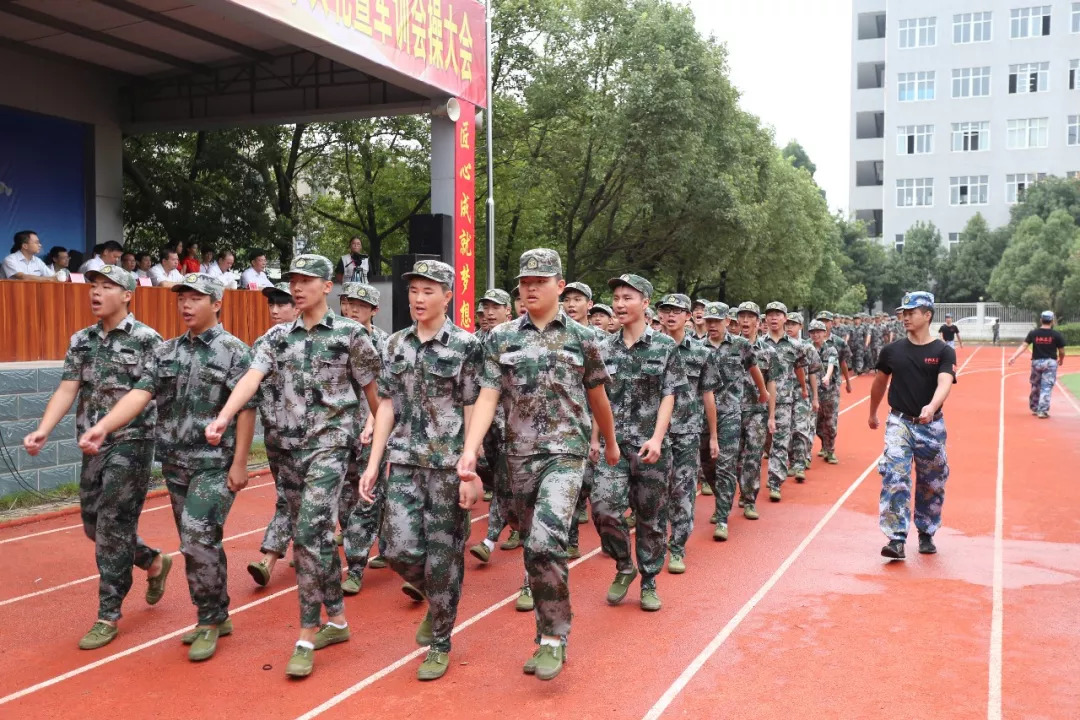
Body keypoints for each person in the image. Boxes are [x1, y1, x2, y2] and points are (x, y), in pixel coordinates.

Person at [205, 257, 380, 678]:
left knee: (306, 536)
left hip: (330, 447)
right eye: (293, 281)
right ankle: (336, 619)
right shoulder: (275, 337)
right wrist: (225, 415)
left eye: (306, 281)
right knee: (317, 538)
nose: (297, 288)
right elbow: (251, 377)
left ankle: (306, 633)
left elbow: (378, 399)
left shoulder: (351, 335)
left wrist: (378, 454)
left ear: (328, 285)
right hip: (286, 452)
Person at [79, 273, 256, 661]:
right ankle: (217, 610)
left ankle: (208, 620)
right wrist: (103, 426)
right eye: (182, 298)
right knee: (198, 542)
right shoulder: (166, 352)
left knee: (197, 536)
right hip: (175, 462)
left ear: (217, 303)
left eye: (196, 298)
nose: (186, 305)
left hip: (215, 464)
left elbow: (247, 410)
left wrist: (240, 462)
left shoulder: (234, 351)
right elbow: (140, 393)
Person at [459, 249, 618, 681]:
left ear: (559, 286)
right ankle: (545, 631)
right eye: (524, 282)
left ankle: (553, 638)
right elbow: (488, 395)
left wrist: (611, 443)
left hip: (565, 456)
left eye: (539, 281)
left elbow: (597, 395)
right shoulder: (501, 338)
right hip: (517, 460)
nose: (529, 288)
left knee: (547, 542)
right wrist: (471, 450)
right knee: (533, 549)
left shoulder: (584, 338)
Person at [23, 265, 170, 650]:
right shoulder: (82, 340)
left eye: (107, 286)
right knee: (93, 523)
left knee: (111, 525)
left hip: (132, 443)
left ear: (127, 295)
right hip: (93, 445)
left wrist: (109, 426)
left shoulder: (147, 340)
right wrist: (44, 428)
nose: (96, 292)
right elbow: (67, 388)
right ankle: (153, 560)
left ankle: (108, 613)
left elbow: (148, 394)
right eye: (93, 285)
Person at [358, 259, 482, 682]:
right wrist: (374, 463)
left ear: (448, 296)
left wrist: (470, 465)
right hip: (406, 462)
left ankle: (441, 640)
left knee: (444, 556)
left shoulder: (466, 346)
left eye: (428, 291)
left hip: (447, 467)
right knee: (396, 549)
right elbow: (386, 404)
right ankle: (439, 599)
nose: (418, 298)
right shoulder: (395, 345)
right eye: (413, 290)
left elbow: (472, 407)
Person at [591, 273, 686, 612]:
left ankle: (648, 580)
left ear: (645, 303)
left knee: (651, 518)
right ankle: (623, 564)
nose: (619, 303)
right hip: (613, 448)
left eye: (627, 297)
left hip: (651, 448)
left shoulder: (664, 347)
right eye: (616, 297)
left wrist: (658, 439)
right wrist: (595, 440)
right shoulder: (601, 348)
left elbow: (669, 395)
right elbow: (596, 397)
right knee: (603, 508)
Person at [869, 291, 956, 560]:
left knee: (932, 481)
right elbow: (880, 383)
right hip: (900, 422)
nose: (905, 317)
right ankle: (895, 538)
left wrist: (931, 406)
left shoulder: (943, 350)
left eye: (911, 312)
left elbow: (944, 382)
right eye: (903, 313)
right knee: (895, 475)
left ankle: (926, 531)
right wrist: (872, 412)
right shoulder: (892, 351)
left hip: (931, 426)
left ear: (927, 315)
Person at [656, 294, 719, 561]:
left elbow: (708, 395)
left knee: (683, 490)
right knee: (655, 490)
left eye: (677, 311)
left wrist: (713, 435)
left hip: (687, 431)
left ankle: (677, 547)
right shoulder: (650, 348)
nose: (671, 315)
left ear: (689, 316)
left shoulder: (701, 353)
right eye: (666, 310)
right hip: (654, 432)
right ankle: (655, 543)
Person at [245, 282, 300, 589]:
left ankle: (269, 557)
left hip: (306, 438)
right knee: (293, 496)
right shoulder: (262, 343)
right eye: (272, 305)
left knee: (287, 496)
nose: (276, 311)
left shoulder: (313, 342)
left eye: (283, 304)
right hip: (274, 435)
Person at [336, 282, 390, 594]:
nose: (352, 309)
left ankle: (355, 566)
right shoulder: (335, 338)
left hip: (373, 429)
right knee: (345, 501)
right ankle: (373, 540)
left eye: (359, 304)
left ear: (374, 310)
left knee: (368, 496)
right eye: (347, 303)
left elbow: (382, 392)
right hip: (341, 431)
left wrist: (372, 422)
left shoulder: (384, 344)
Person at [469, 288, 521, 562]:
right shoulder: (473, 342)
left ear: (507, 311)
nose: (487, 314)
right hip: (481, 422)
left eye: (494, 308)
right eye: (483, 309)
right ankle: (516, 521)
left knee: (503, 478)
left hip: (510, 423)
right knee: (489, 473)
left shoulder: (517, 338)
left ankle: (489, 538)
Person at [762, 302, 808, 502]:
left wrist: (804, 388)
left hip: (784, 400)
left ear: (785, 318)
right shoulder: (758, 344)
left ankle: (775, 482)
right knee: (763, 442)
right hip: (758, 401)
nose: (774, 318)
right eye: (770, 314)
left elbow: (799, 368)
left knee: (780, 442)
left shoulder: (795, 346)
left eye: (777, 315)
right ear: (765, 319)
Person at [736, 302, 777, 518]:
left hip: (757, 412)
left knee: (752, 456)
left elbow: (771, 384)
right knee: (733, 459)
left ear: (757, 322)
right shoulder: (730, 348)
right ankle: (739, 491)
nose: (744, 321)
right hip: (731, 411)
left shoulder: (768, 352)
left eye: (749, 317)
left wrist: (771, 415)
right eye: (741, 316)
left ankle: (749, 498)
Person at [1008, 311, 1066, 418]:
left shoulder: (1033, 333)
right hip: (1050, 363)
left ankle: (1035, 407)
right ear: (1052, 321)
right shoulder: (1056, 335)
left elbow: (1024, 346)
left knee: (1036, 385)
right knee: (1046, 387)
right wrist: (1061, 359)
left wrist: (1014, 357)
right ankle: (1042, 411)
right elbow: (1062, 351)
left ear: (1041, 320)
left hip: (1036, 363)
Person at [785, 312, 819, 483]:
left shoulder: (808, 348)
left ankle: (799, 464)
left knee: (800, 428)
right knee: (785, 430)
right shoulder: (780, 345)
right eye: (787, 323)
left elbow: (813, 373)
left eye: (793, 324)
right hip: (783, 394)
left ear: (800, 327)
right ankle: (791, 461)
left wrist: (815, 398)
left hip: (801, 392)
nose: (789, 327)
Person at [810, 320, 841, 465]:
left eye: (818, 332)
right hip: (812, 391)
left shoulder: (831, 349)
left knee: (830, 422)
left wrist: (827, 377)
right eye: (813, 332)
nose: (816, 335)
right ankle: (823, 443)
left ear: (824, 333)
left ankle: (830, 451)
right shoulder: (807, 348)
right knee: (815, 423)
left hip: (829, 391)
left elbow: (831, 364)